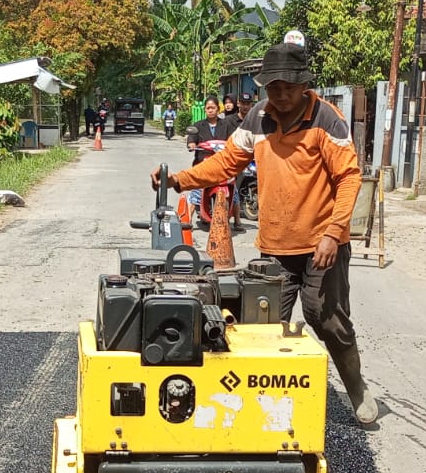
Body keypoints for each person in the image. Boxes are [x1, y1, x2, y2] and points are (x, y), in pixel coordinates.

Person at [153, 41, 376, 424]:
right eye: (274, 88)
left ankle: (357, 391)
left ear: (304, 84)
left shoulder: (327, 119)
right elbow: (225, 163)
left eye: (289, 87)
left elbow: (349, 177)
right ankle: (266, 407)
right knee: (263, 324)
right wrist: (178, 180)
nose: (282, 95)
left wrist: (333, 230)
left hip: (323, 243)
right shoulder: (257, 118)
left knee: (327, 319)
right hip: (275, 246)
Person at [183, 97, 233, 222]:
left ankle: (237, 219)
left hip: (222, 163)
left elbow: (233, 139)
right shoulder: (199, 125)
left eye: (213, 108)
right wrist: (192, 144)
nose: (210, 111)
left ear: (218, 109)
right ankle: (187, 221)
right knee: (197, 191)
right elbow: (191, 138)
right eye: (208, 108)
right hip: (203, 163)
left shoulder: (226, 124)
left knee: (234, 190)